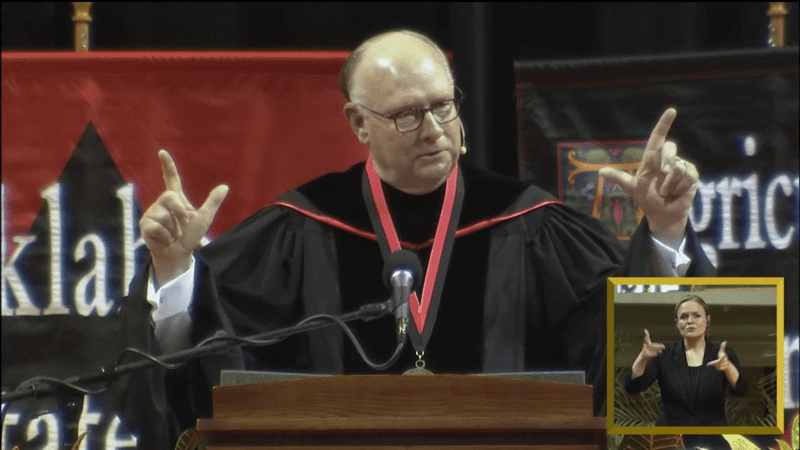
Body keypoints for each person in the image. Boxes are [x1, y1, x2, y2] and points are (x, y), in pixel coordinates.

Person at [124, 29, 715, 446]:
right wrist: (177, 271)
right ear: (359, 124)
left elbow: (635, 360)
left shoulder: (530, 222)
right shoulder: (300, 227)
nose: (434, 130)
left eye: (443, 106)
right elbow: (205, 373)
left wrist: (664, 230)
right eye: (407, 114)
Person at [624, 295, 747, 427]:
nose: (690, 321)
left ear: (707, 320)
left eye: (696, 316)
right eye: (683, 317)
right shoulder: (664, 353)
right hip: (671, 437)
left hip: (712, 437)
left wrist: (728, 367)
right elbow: (633, 387)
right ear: (677, 323)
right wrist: (643, 358)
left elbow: (741, 390)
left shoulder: (723, 352)